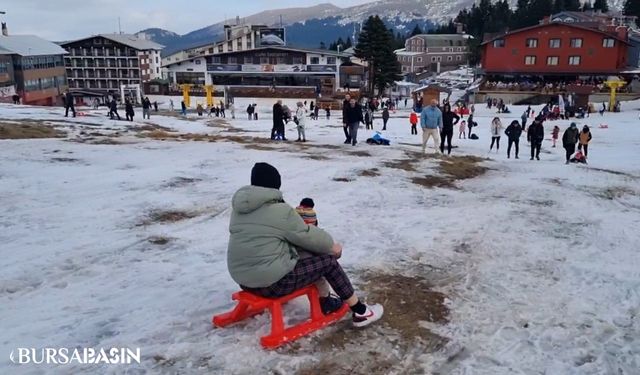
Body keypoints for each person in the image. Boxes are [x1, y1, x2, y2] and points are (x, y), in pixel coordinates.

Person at [227, 163, 384, 326]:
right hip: (271, 285)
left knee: (304, 257)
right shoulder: (280, 211)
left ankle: (326, 300)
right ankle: (361, 311)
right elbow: (309, 236)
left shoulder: (239, 210)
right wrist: (332, 246)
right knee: (327, 261)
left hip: (243, 280)